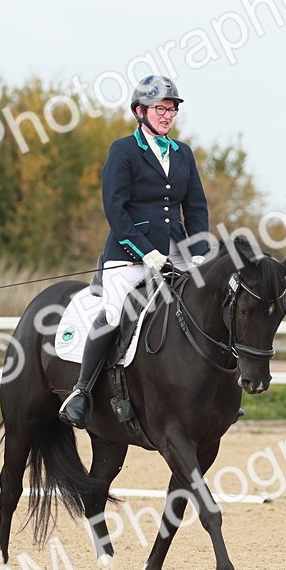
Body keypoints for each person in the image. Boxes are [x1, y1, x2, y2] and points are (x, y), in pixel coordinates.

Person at [58, 75, 210, 428]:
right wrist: (145, 252)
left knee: (209, 304)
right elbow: (116, 210)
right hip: (129, 253)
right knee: (113, 313)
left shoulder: (183, 153)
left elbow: (197, 207)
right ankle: (82, 391)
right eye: (161, 109)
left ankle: (214, 392)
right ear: (141, 111)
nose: (167, 115)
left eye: (172, 109)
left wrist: (198, 250)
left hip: (176, 251)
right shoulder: (124, 150)